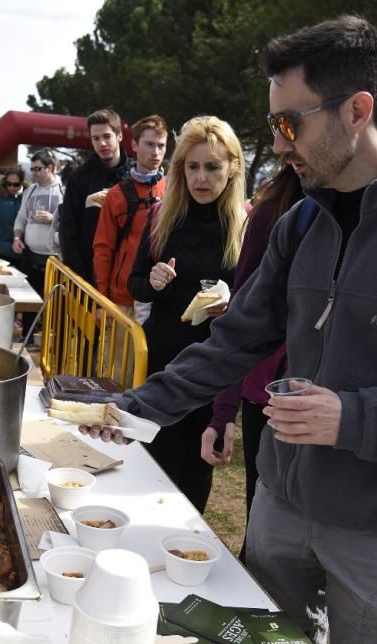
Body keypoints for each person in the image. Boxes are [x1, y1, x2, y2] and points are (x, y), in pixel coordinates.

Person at [82, 17, 377, 644]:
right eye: (273, 125)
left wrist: (354, 418)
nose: (279, 142)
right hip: (278, 509)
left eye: (291, 123)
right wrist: (134, 411)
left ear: (357, 109)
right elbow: (234, 341)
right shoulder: (301, 222)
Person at [126, 115, 246, 514]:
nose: (201, 178)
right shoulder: (164, 215)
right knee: (148, 465)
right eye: (192, 166)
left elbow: (255, 306)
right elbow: (135, 282)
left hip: (210, 367)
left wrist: (231, 303)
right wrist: (154, 281)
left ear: (232, 168)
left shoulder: (242, 225)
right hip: (161, 358)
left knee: (193, 475)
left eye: (212, 166)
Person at [201, 164, 303, 562]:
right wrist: (223, 411)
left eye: (292, 126)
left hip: (346, 414)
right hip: (271, 400)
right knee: (263, 535)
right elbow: (242, 319)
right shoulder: (275, 210)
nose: (281, 144)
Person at [92, 114, 169, 319]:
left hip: (163, 300)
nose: (156, 152)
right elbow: (103, 249)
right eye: (149, 144)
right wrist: (102, 299)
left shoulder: (174, 191)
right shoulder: (117, 195)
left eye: (161, 145)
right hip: (122, 300)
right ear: (134, 145)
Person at [60, 108, 131, 284]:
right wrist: (80, 276)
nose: (102, 143)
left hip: (126, 278)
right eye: (96, 138)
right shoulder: (78, 177)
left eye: (107, 136)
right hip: (87, 278)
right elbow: (67, 230)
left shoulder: (135, 176)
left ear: (119, 136)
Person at [14, 150, 64, 337]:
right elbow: (20, 218)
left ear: (50, 167)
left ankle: (52, 341)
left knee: (54, 303)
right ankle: (28, 335)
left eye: (38, 169)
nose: (33, 173)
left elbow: (70, 221)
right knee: (29, 300)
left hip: (54, 258)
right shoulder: (30, 190)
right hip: (30, 254)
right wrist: (17, 237)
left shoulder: (63, 190)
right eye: (32, 168)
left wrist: (53, 218)